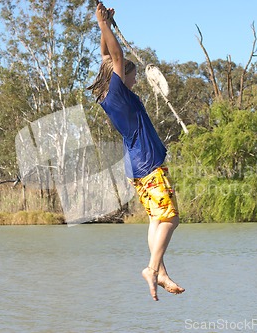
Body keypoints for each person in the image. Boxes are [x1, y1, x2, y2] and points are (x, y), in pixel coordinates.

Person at [87, 2, 184, 301]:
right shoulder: (117, 91)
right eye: (132, 74)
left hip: (136, 166)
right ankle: (152, 269)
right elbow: (115, 57)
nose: (135, 78)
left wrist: (106, 25)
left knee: (157, 218)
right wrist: (103, 24)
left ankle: (161, 271)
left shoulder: (110, 94)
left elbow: (106, 56)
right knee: (170, 218)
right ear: (120, 75)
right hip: (148, 163)